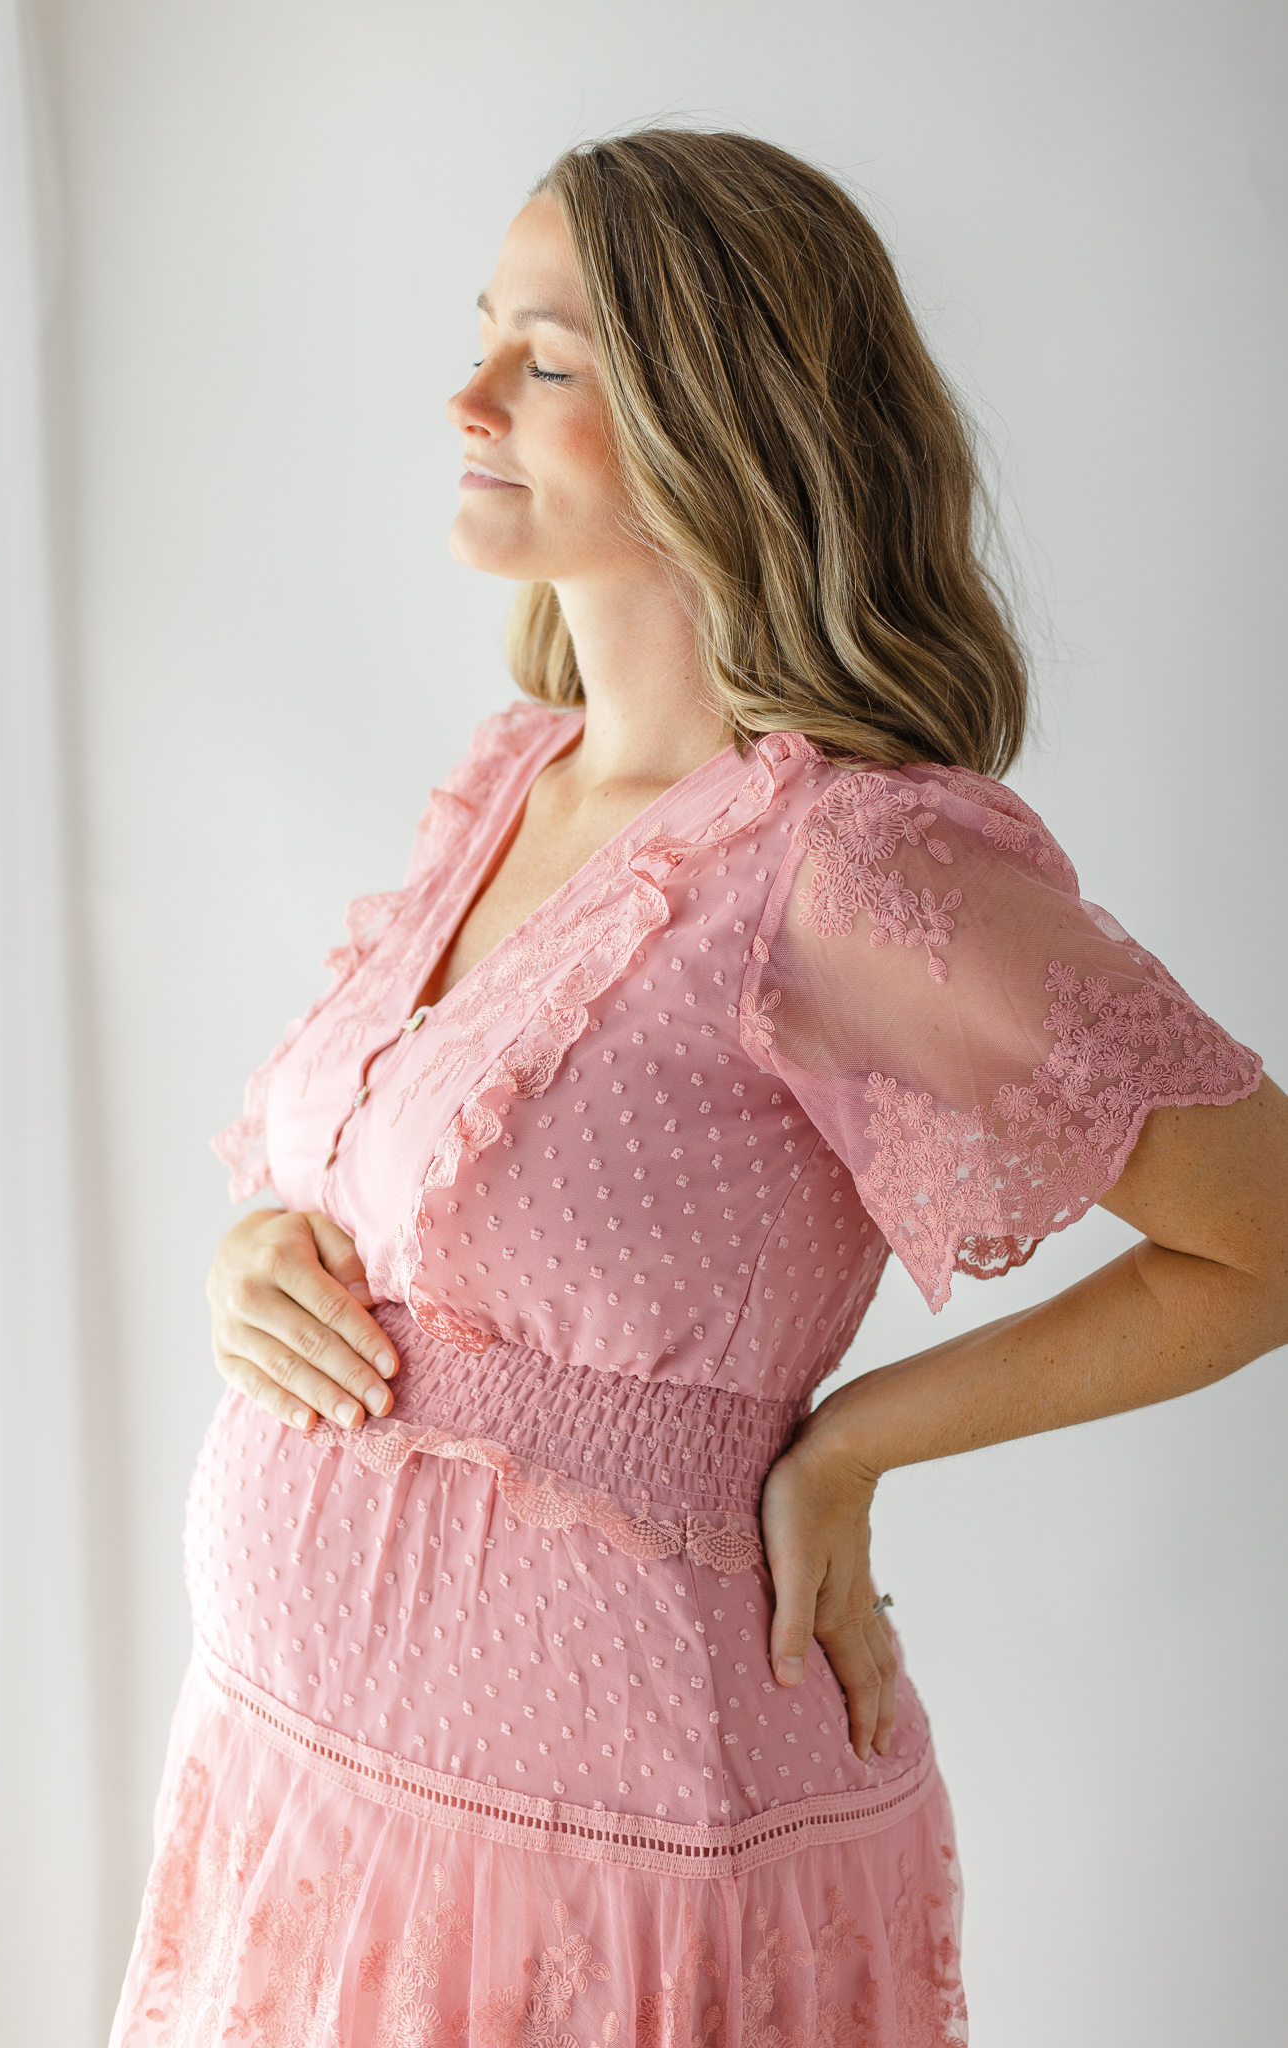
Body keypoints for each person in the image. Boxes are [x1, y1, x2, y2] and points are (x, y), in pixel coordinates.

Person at [110, 130, 1285, 2046]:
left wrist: (852, 1442)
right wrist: (258, 1265)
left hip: (609, 1871)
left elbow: (1268, 1229)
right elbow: (419, 1210)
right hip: (303, 1808)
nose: (466, 396)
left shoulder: (847, 870)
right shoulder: (513, 781)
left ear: (716, 420)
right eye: (482, 333)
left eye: (546, 359)